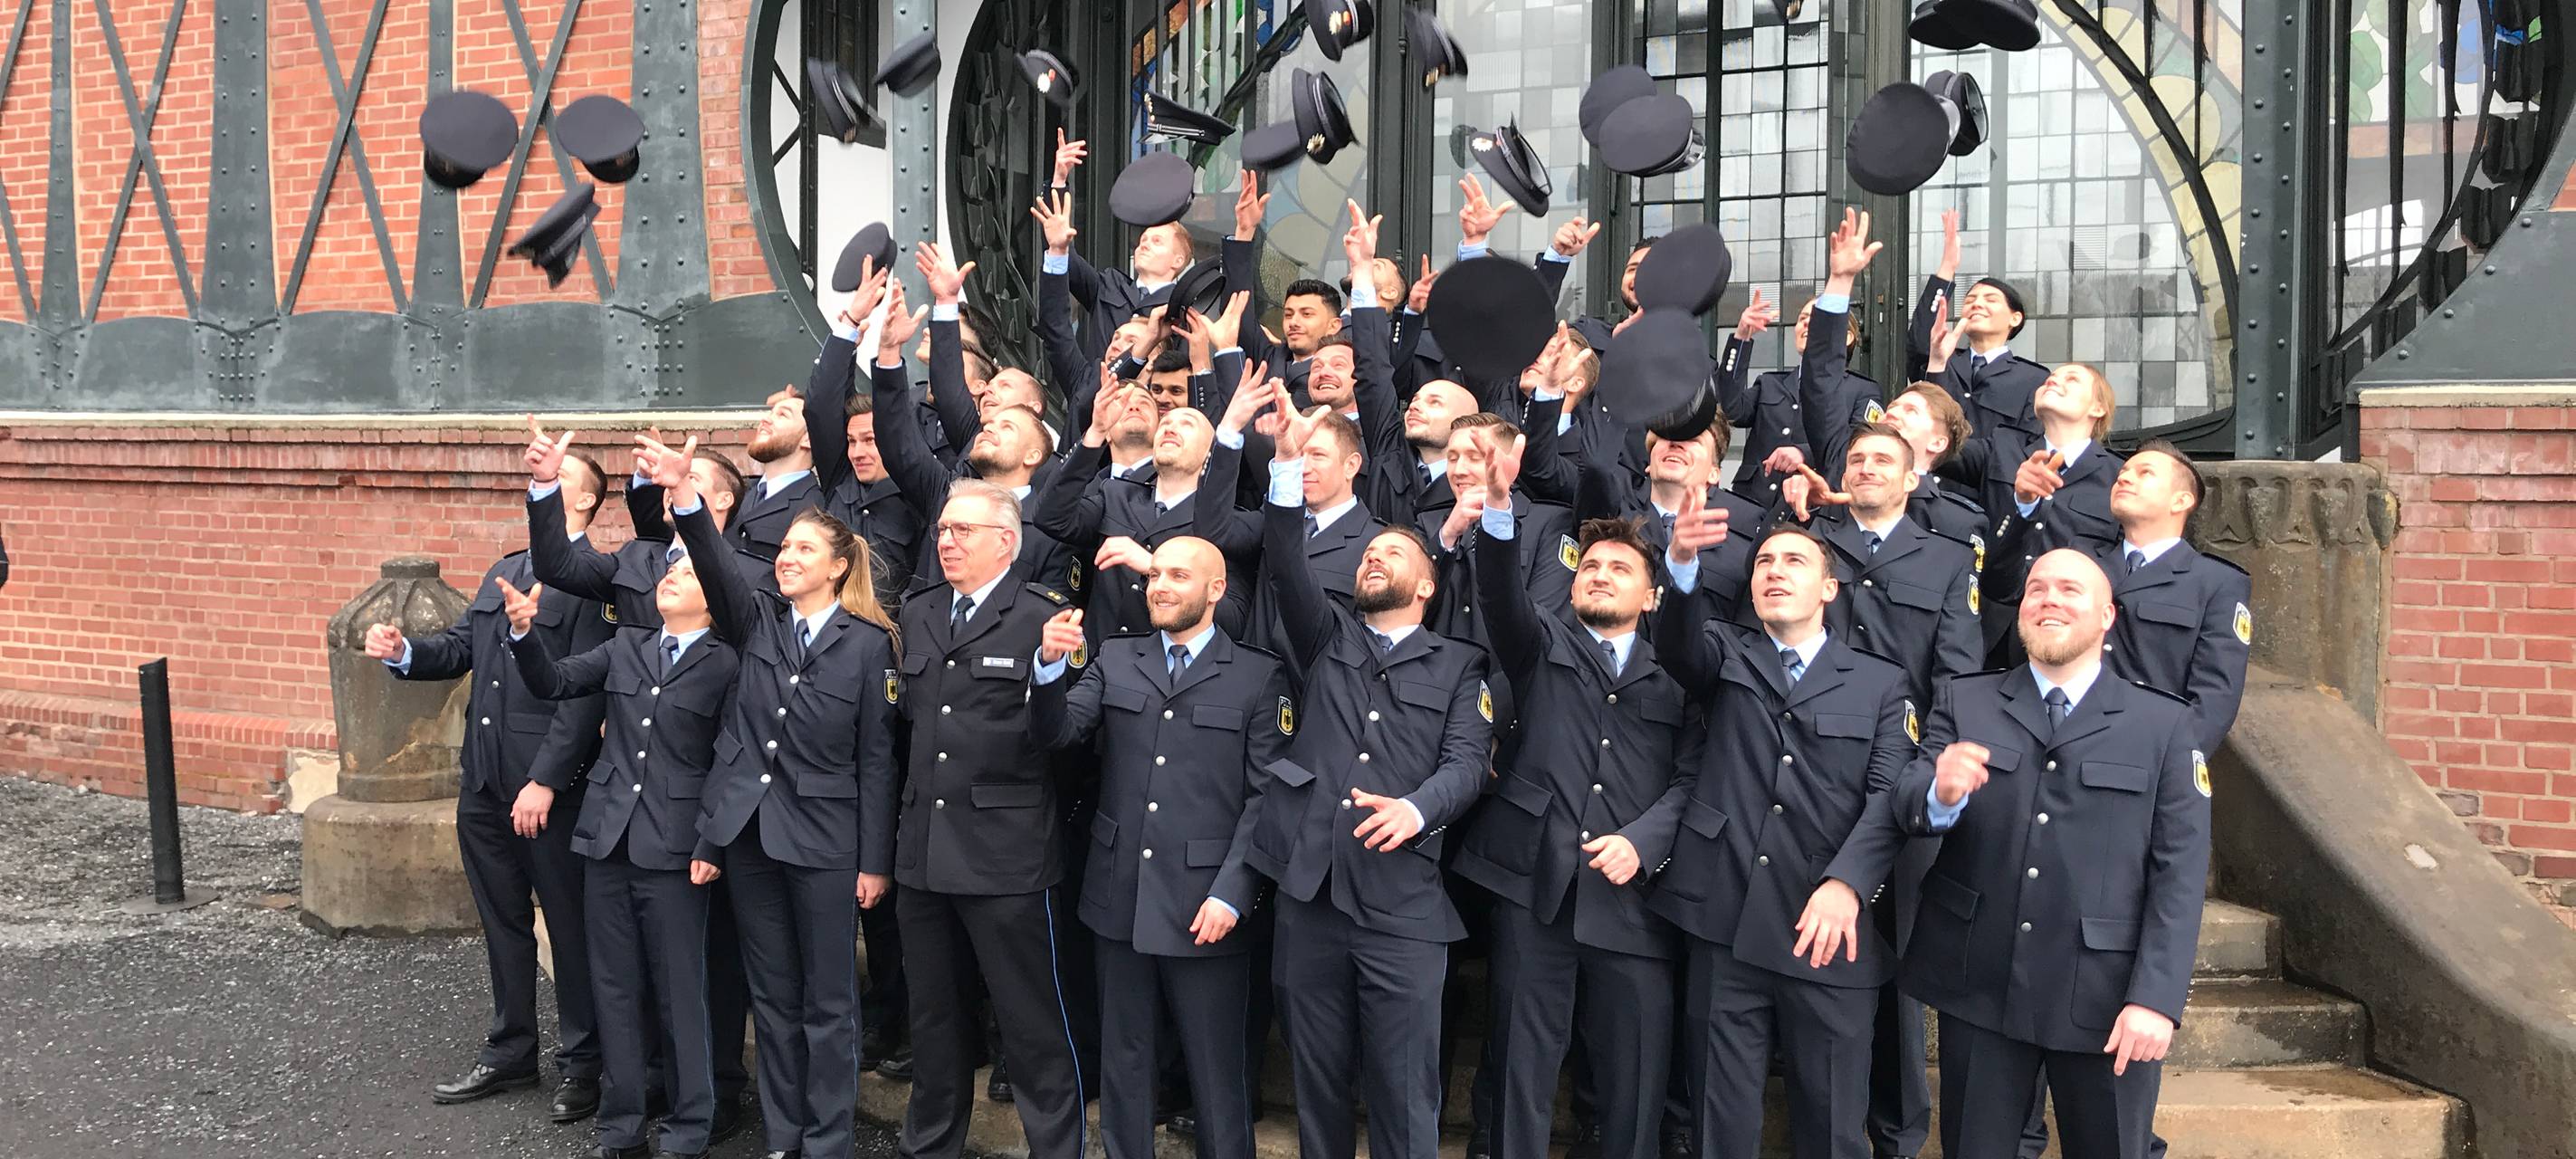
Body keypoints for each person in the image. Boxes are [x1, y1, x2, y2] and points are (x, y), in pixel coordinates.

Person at [1879, 549, 2209, 1159]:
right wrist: (1938, 792)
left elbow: (2180, 873)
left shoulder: (2162, 724)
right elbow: (1904, 806)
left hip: (2106, 995)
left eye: (2069, 589)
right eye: (2035, 588)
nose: (2049, 599)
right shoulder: (1966, 701)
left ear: (2107, 615)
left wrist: (2155, 999)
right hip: (1979, 981)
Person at [1248, 383, 1495, 1159]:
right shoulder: (1328, 638)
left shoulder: (1461, 664)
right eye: (1370, 550)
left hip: (1401, 911)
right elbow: (1287, 561)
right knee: (1317, 1085)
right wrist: (1287, 466)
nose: (1376, 555)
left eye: (1397, 552)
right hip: (1311, 894)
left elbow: (1468, 764)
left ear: (1428, 585)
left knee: (1403, 1090)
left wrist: (1418, 811)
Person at [658, 430, 902, 1159]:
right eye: (784, 548)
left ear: (837, 567)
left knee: (828, 1001)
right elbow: (717, 566)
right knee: (773, 996)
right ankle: (785, 1132)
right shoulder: (756, 619)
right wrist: (685, 499)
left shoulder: (868, 645)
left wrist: (873, 861)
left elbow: (877, 760)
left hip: (827, 843)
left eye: (803, 550)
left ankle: (828, 1139)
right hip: (753, 836)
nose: (788, 558)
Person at [1453, 424, 1692, 1159]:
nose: (1598, 575)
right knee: (1521, 1067)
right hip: (1536, 889)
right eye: (1590, 566)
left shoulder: (1681, 673)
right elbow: (1498, 597)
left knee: (1634, 1079)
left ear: (1652, 596)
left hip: (1634, 902)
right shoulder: (1541, 643)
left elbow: (1694, 779)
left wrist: (1643, 843)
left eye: (1620, 570)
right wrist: (1497, 510)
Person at [522, 423, 765, 1141]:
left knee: (700, 981)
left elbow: (733, 745)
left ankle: (707, 1106)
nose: (665, 497)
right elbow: (558, 565)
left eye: (687, 490)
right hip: (617, 815)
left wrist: (714, 837)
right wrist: (544, 487)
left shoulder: (746, 578)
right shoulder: (640, 563)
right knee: (618, 983)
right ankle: (627, 1117)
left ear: (718, 504)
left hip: (684, 827)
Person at [367, 426, 612, 1125]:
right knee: (501, 923)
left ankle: (583, 1065)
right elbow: (464, 647)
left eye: (559, 477)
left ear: (586, 500)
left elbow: (584, 693)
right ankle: (510, 1050)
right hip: (482, 782)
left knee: (567, 928)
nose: (541, 482)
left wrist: (547, 779)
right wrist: (405, 650)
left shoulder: (594, 580)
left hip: (544, 788)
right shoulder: (502, 568)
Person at [1649, 518, 1916, 1159]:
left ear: (1830, 587)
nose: (1773, 571)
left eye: (1793, 561)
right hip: (1726, 919)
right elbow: (1678, 646)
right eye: (1763, 561)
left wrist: (1849, 883)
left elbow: (1889, 799)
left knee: (1831, 1127)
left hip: (1827, 929)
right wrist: (1681, 564)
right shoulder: (1723, 650)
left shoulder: (1882, 683)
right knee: (1722, 1122)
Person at [1026, 536, 1291, 1159]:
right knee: (1125, 1064)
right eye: (1155, 574)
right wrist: (1045, 670)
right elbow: (1060, 733)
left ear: (1216, 590)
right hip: (1119, 895)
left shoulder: (1257, 674)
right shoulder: (1117, 658)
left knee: (1216, 1074)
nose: (1160, 585)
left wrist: (1234, 892)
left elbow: (1266, 797)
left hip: (1207, 907)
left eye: (1177, 574)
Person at [1771, 421, 1982, 1159]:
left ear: (1913, 477)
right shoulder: (1805, 541)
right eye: (1855, 459)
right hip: (1802, 773)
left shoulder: (1948, 560)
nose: (1865, 468)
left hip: (1897, 779)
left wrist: (1927, 771)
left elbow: (1955, 675)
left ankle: (1895, 1133)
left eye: (1882, 460)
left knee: (1894, 961)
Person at [886, 474, 1092, 1159]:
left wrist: (1048, 670)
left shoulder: (1045, 618)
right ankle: (930, 1146)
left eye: (962, 531)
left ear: (1007, 541)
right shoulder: (918, 612)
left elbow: (1058, 739)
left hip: (1007, 856)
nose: (946, 541)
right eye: (943, 530)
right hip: (924, 851)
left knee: (1032, 1025)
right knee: (935, 1021)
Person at [867, 277, 1079, 601]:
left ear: (1035, 454)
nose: (990, 427)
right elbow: (899, 442)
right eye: (989, 426)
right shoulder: (948, 491)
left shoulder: (1050, 516)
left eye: (1007, 427)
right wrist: (889, 352)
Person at [2094, 440, 2250, 753]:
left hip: (2145, 754)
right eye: (2123, 472)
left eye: (2145, 473)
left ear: (2181, 501)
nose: (2124, 478)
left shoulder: (2216, 582)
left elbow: (2214, 699)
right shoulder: (2081, 564)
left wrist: (2167, 766)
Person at [1720, 208, 1880, 506]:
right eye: (1803, 319)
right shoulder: (1771, 383)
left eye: (1815, 319)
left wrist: (1803, 453)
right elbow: (1732, 410)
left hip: (1810, 505)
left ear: (1847, 337)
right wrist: (1741, 337)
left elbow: (1859, 444)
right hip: (1752, 503)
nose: (1806, 323)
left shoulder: (1863, 390)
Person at [1906, 207, 2049, 440]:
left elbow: (2025, 445)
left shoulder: (2032, 379)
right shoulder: (1943, 361)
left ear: (2015, 318)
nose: (1977, 304)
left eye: (1990, 300)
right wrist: (1947, 268)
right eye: (1970, 300)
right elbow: (1920, 343)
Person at [732, 386, 825, 561]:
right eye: (771, 413)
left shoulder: (816, 508)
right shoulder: (738, 492)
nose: (765, 420)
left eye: (783, 414)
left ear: (808, 438)